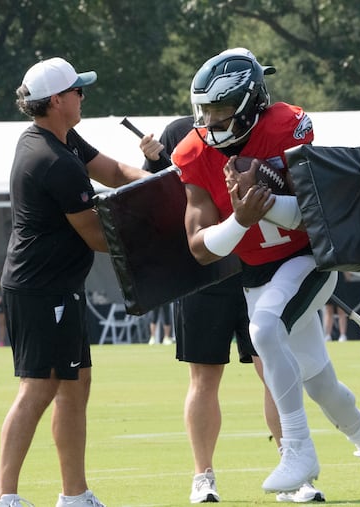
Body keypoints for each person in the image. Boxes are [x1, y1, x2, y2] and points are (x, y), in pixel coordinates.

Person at [172, 48, 360, 504]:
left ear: (250, 103)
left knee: (264, 329)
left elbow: (319, 213)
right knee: (319, 382)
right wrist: (239, 219)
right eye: (205, 111)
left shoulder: (285, 128)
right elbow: (199, 247)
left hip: (310, 261)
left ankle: (297, 449)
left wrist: (267, 203)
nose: (210, 121)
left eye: (219, 110)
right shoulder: (195, 152)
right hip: (259, 275)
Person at [0, 56, 149, 507]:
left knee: (76, 388)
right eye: (78, 90)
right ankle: (3, 498)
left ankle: (75, 496)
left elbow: (116, 172)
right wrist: (158, 228)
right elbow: (98, 236)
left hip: (60, 286)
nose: (83, 96)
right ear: (57, 100)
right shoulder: (52, 159)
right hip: (41, 289)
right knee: (38, 388)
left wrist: (167, 182)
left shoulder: (59, 137)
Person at [140, 113, 325, 503]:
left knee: (271, 369)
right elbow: (157, 195)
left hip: (257, 268)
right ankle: (202, 475)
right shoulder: (179, 134)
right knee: (204, 378)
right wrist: (155, 161)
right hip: (206, 275)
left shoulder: (265, 132)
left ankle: (292, 466)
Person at [323, 272, 353, 342]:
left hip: (340, 284)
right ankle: (327, 335)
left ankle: (342, 335)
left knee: (341, 311)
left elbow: (348, 277)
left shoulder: (342, 262)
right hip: (330, 284)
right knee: (329, 311)